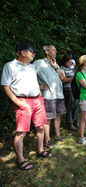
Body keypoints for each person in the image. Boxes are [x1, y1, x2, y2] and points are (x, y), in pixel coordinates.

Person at [1, 42, 52, 171]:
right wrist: (18, 102)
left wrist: (39, 94)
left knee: (40, 127)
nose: (34, 53)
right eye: (31, 51)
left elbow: (34, 82)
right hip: (23, 101)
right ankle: (21, 160)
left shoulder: (31, 67)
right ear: (23, 52)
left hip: (37, 100)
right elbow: (5, 86)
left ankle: (40, 150)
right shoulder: (10, 66)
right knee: (21, 132)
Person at [33, 44, 66, 148]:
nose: (55, 52)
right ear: (46, 52)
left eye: (55, 50)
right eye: (53, 50)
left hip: (59, 94)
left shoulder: (55, 64)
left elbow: (62, 77)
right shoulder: (38, 63)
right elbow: (30, 76)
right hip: (48, 95)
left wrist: (55, 67)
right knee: (48, 118)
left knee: (58, 115)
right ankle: (47, 140)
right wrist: (38, 86)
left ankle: (57, 135)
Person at [60, 54, 79, 131]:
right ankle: (70, 123)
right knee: (69, 106)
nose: (71, 64)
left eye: (71, 62)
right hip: (67, 89)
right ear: (65, 62)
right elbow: (63, 80)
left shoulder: (71, 68)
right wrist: (73, 78)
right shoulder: (62, 69)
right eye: (69, 62)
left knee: (75, 105)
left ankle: (76, 121)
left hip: (74, 88)